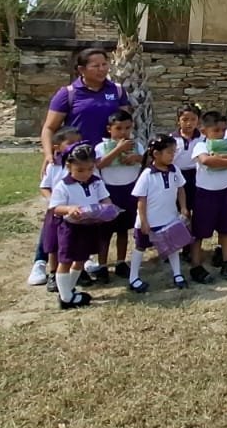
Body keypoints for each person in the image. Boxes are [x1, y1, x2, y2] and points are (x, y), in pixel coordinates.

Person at [40, 47, 130, 174]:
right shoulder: (67, 93)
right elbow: (49, 128)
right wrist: (48, 154)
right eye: (96, 66)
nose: (102, 69)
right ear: (81, 69)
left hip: (110, 160)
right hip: (78, 161)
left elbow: (125, 123)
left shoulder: (117, 91)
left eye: (104, 64)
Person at [47, 143, 108, 310]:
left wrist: (107, 209)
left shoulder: (96, 182)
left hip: (89, 225)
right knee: (66, 261)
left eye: (90, 169)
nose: (86, 174)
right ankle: (66, 298)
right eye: (80, 170)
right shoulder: (63, 186)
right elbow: (55, 208)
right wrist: (69, 209)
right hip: (70, 228)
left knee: (81, 259)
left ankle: (69, 289)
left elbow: (105, 199)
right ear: (69, 167)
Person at [128, 136, 190, 293]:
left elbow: (181, 189)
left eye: (174, 152)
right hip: (150, 220)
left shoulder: (175, 170)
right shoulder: (147, 174)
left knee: (173, 246)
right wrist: (144, 221)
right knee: (140, 247)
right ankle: (133, 277)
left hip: (169, 218)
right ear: (156, 154)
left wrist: (183, 207)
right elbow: (141, 199)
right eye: (169, 152)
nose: (172, 155)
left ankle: (177, 274)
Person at [188, 109, 227, 283]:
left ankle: (226, 261)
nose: (221, 133)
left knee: (226, 229)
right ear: (204, 131)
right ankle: (196, 265)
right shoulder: (201, 146)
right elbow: (206, 160)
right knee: (199, 232)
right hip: (205, 194)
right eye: (216, 130)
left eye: (223, 130)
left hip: (226, 192)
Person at [29, 126, 82, 290]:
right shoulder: (53, 166)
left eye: (78, 142)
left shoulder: (81, 166)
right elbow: (44, 187)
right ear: (57, 148)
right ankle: (53, 272)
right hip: (57, 212)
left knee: (76, 241)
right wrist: (53, 201)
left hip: (77, 211)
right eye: (71, 143)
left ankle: (75, 271)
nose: (76, 146)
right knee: (54, 244)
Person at [95, 110, 144, 283]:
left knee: (123, 229)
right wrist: (118, 150)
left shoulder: (137, 145)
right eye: (119, 128)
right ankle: (102, 265)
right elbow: (99, 164)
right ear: (110, 129)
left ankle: (121, 262)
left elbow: (146, 161)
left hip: (129, 191)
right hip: (109, 192)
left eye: (127, 128)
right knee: (105, 231)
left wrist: (136, 157)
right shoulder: (101, 147)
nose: (123, 132)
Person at [170, 104, 202, 221]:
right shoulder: (172, 139)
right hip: (178, 176)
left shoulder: (203, 138)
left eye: (193, 119)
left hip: (198, 175)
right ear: (178, 121)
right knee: (181, 208)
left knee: (197, 206)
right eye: (185, 120)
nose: (189, 123)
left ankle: (196, 229)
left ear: (198, 120)